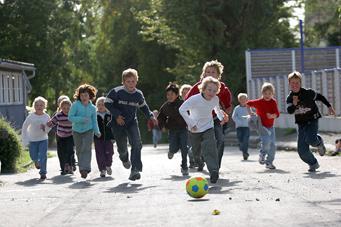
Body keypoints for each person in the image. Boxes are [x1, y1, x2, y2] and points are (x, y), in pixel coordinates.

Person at [105, 68, 157, 181]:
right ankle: (124, 158)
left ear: (136, 81)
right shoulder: (116, 91)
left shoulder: (138, 94)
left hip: (131, 122)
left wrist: (151, 116)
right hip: (117, 123)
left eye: (133, 81)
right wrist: (117, 115)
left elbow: (144, 106)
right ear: (123, 82)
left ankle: (135, 170)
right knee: (122, 148)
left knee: (137, 144)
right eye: (128, 81)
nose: (131, 84)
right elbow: (107, 103)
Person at [179, 76, 228, 183]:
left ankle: (214, 171)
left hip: (208, 127)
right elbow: (181, 109)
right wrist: (191, 123)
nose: (212, 92)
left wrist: (221, 118)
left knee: (210, 147)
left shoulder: (215, 99)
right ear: (203, 88)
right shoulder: (195, 99)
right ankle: (199, 163)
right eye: (209, 89)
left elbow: (217, 109)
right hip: (194, 129)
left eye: (215, 91)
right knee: (196, 153)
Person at [185, 60, 232, 169]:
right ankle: (200, 157)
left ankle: (215, 167)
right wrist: (190, 121)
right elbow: (186, 104)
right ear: (204, 74)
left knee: (220, 140)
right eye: (208, 72)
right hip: (199, 120)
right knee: (201, 143)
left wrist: (226, 112)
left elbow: (227, 105)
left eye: (213, 72)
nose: (210, 74)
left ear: (218, 75)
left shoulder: (223, 89)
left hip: (215, 119)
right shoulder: (197, 88)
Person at [286, 71, 336, 172]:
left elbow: (320, 97)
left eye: (297, 82)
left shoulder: (308, 93)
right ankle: (313, 163)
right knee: (302, 151)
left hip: (312, 119)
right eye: (292, 83)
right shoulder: (290, 98)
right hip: (301, 124)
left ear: (300, 83)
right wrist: (294, 104)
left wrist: (329, 106)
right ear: (289, 84)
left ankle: (319, 142)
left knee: (311, 140)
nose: (295, 85)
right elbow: (289, 111)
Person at [69, 84, 100, 179]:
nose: (84, 97)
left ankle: (85, 169)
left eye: (86, 95)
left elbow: (94, 121)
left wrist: (97, 131)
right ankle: (82, 168)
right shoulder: (75, 105)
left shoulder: (93, 108)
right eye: (82, 95)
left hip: (88, 130)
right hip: (76, 130)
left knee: (87, 148)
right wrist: (81, 119)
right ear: (79, 96)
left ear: (90, 96)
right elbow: (70, 117)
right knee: (79, 149)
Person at [157, 83, 189, 176]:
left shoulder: (183, 104)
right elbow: (161, 117)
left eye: (172, 94)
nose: (169, 96)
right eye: (168, 94)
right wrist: (162, 126)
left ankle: (184, 166)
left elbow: (189, 114)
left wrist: (191, 124)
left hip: (183, 129)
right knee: (174, 147)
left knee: (184, 147)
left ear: (177, 94)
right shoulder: (165, 106)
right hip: (172, 129)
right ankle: (172, 151)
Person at [247, 82, 280, 169]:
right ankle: (262, 154)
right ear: (262, 93)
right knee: (266, 142)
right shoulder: (259, 102)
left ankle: (269, 162)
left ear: (272, 93)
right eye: (265, 93)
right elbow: (248, 103)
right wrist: (250, 113)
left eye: (269, 93)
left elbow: (277, 113)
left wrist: (272, 115)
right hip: (261, 126)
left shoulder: (273, 102)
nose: (267, 95)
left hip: (271, 127)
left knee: (272, 145)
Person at [22, 96, 51, 180]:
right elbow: (25, 126)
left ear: (44, 106)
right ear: (34, 106)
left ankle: (43, 172)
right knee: (33, 155)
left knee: (43, 155)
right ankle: (36, 161)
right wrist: (25, 138)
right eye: (37, 105)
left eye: (41, 105)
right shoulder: (31, 116)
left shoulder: (46, 116)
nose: (39, 107)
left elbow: (49, 128)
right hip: (32, 139)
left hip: (43, 139)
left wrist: (44, 128)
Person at [47, 99, 74, 175]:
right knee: (62, 152)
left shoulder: (72, 115)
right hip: (61, 136)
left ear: (71, 108)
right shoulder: (59, 115)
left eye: (68, 108)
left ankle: (70, 165)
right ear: (61, 108)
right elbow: (53, 122)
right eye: (64, 108)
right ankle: (64, 167)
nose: (66, 110)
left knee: (70, 151)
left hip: (70, 136)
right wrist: (49, 124)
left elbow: (77, 122)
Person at [94, 97, 115, 178]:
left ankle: (108, 165)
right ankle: (102, 169)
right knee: (99, 154)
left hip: (108, 138)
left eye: (103, 105)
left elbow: (113, 127)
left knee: (110, 152)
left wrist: (113, 137)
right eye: (99, 105)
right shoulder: (95, 115)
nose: (101, 106)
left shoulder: (110, 115)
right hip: (98, 138)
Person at [180, 84, 196, 168]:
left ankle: (198, 158)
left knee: (196, 144)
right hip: (184, 129)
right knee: (189, 145)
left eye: (188, 93)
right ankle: (192, 161)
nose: (186, 95)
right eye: (184, 93)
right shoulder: (179, 105)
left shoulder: (194, 103)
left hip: (195, 127)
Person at [232, 93, 250, 160]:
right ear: (239, 100)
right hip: (239, 127)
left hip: (246, 126)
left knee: (245, 140)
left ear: (246, 100)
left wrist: (248, 118)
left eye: (244, 99)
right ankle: (241, 147)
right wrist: (238, 121)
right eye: (241, 99)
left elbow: (250, 115)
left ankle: (245, 153)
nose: (243, 101)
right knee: (240, 139)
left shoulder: (248, 107)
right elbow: (234, 116)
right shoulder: (237, 108)